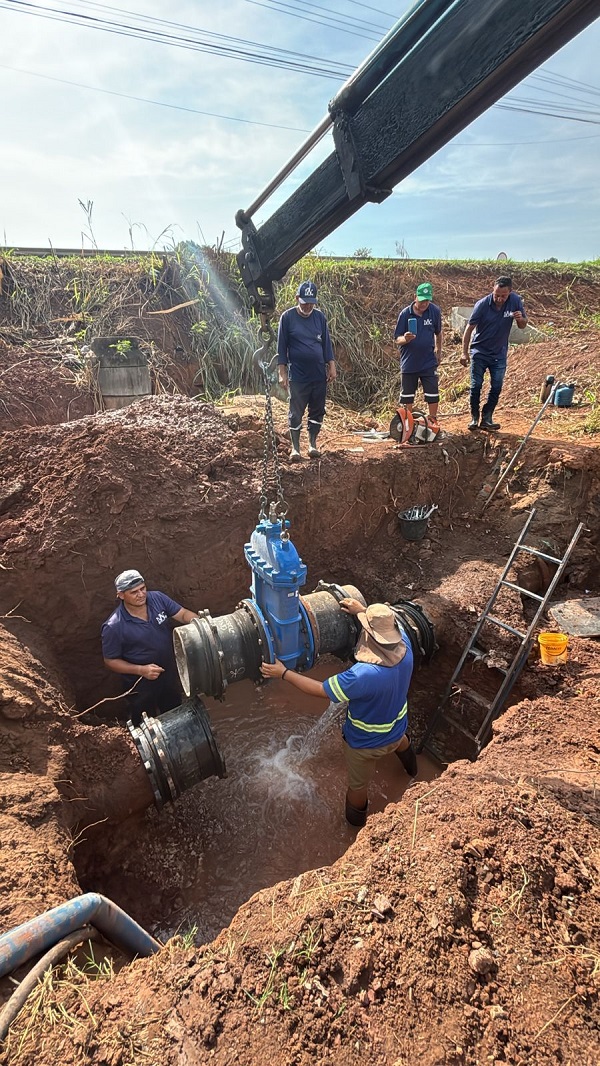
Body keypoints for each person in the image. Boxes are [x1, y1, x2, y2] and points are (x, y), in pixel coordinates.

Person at [260, 598, 417, 827]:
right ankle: (414, 772)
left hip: (364, 744)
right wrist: (361, 611)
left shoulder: (362, 675)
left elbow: (320, 689)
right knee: (400, 742)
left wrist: (283, 673)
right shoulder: (406, 646)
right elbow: (390, 629)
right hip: (398, 727)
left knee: (358, 786)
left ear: (369, 636)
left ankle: (355, 829)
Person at [101, 569, 198, 725]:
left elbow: (182, 614)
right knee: (144, 722)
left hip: (168, 673)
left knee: (175, 713)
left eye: (143, 588)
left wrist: (200, 623)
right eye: (134, 592)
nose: (141, 594)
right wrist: (141, 670)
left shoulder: (157, 598)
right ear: (121, 595)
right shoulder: (114, 626)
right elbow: (110, 661)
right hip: (140, 683)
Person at [277, 280, 336, 463]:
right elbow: (281, 348)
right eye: (305, 302)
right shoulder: (287, 318)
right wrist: (282, 372)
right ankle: (295, 448)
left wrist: (331, 365)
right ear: (297, 298)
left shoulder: (319, 317)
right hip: (298, 375)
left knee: (317, 410)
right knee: (296, 411)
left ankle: (312, 444)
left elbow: (326, 344)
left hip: (318, 374)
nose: (308, 306)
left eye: (311, 303)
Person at [460, 276, 528, 431]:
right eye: (496, 295)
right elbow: (469, 329)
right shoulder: (482, 305)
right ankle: (474, 417)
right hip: (480, 351)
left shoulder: (515, 301)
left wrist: (520, 319)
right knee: (476, 385)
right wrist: (464, 353)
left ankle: (487, 417)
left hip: (499, 353)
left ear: (510, 292)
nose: (499, 299)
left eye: (503, 296)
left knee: (496, 386)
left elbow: (523, 325)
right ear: (493, 290)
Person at [394, 281, 442, 424]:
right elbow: (397, 339)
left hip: (428, 360)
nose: (424, 304)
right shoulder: (405, 314)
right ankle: (408, 423)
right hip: (410, 361)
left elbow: (438, 333)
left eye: (427, 301)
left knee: (432, 392)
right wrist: (406, 339)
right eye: (421, 301)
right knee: (407, 395)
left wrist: (439, 351)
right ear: (415, 297)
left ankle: (432, 420)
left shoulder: (434, 311)